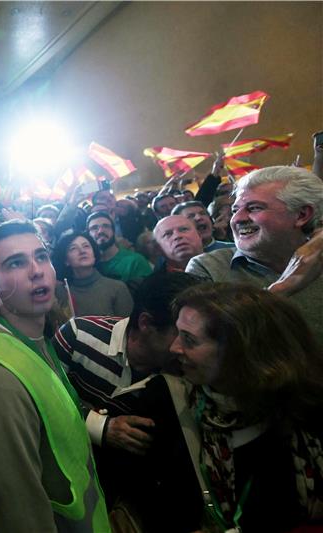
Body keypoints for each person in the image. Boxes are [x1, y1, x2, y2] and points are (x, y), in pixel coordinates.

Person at [0, 220, 109, 531]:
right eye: (16, 263)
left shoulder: (35, 338)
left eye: (41, 256)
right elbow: (16, 512)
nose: (36, 270)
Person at [53, 272, 202, 530]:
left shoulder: (187, 375)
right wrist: (102, 427)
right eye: (181, 335)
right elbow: (42, 401)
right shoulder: (79, 336)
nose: (183, 348)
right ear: (146, 323)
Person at [168, 283, 323, 531]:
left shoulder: (307, 412)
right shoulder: (173, 401)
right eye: (177, 333)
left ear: (240, 352)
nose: (174, 347)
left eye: (189, 339)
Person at [186, 166, 323, 345]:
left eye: (254, 208)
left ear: (302, 214)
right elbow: (210, 344)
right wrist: (284, 287)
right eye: (235, 210)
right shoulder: (208, 268)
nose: (237, 219)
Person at [52, 232, 133, 318]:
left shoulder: (117, 288)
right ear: (66, 261)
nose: (82, 251)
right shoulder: (61, 292)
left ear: (94, 255)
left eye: (86, 246)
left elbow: (129, 328)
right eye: (73, 248)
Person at [86, 211, 153, 286]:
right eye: (94, 228)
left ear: (114, 232)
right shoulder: (88, 265)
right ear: (88, 235)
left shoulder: (135, 261)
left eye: (106, 226)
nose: (100, 231)